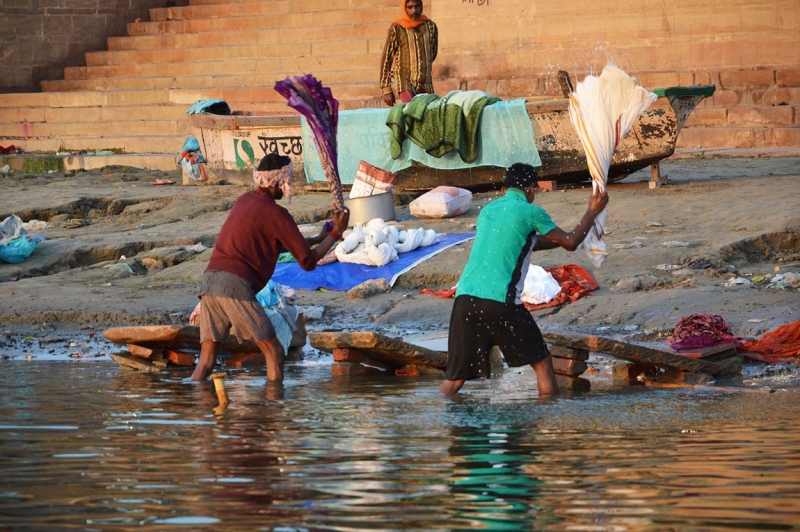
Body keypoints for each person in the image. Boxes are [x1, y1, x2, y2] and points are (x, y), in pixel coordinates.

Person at [439, 163, 609, 395]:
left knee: (455, 378)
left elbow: (527, 242)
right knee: (542, 363)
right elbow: (569, 243)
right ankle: (541, 421)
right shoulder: (531, 212)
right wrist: (592, 211)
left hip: (464, 301)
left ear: (503, 189)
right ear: (531, 189)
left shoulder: (488, 211)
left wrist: (577, 234)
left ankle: (442, 422)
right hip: (500, 302)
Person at [191, 153, 349, 382]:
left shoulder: (244, 200)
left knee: (206, 361)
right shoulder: (277, 214)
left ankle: (199, 410)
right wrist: (335, 234)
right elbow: (308, 262)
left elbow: (277, 244)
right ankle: (273, 412)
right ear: (279, 180)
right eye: (289, 179)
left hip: (210, 283)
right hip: (235, 286)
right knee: (274, 352)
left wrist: (318, 238)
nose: (290, 185)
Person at [380, 0, 438, 107]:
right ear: (405, 8)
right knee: (412, 112)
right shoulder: (397, 28)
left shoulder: (430, 27)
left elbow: (432, 54)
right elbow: (386, 59)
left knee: (428, 115)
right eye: (410, 7)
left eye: (417, 6)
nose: (414, 10)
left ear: (421, 5)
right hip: (406, 82)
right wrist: (386, 89)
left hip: (425, 83)